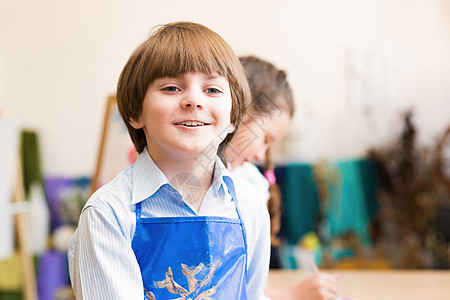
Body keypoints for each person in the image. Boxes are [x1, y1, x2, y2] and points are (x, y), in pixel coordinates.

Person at [68, 21, 273, 299]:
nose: (193, 100)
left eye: (212, 90)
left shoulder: (249, 205)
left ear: (234, 116)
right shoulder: (108, 214)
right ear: (135, 113)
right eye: (171, 88)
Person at [226, 56, 340, 300]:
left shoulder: (253, 185)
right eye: (265, 139)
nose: (260, 154)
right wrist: (293, 295)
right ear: (236, 112)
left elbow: (249, 286)